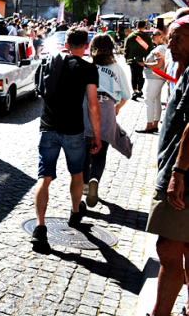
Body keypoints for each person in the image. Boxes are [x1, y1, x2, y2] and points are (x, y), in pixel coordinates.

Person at [113, 16, 189, 316]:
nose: (168, 44)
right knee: (186, 247)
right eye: (168, 38)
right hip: (182, 173)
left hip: (181, 178)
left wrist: (177, 173)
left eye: (176, 39)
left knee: (168, 249)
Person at [31, 27, 101, 253]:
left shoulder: (52, 62)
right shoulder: (89, 69)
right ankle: (74, 213)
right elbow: (92, 104)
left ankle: (40, 229)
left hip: (48, 127)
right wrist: (97, 135)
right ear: (86, 46)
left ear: (67, 44)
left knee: (44, 177)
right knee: (77, 173)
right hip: (73, 131)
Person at [82, 34, 132, 208]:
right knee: (100, 150)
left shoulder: (87, 65)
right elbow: (127, 94)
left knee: (85, 148)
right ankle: (95, 177)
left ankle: (85, 183)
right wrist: (117, 107)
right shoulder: (116, 68)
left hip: (87, 106)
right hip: (107, 107)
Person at [139, 30, 168, 134]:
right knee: (156, 100)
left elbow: (159, 64)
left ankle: (149, 124)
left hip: (154, 77)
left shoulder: (160, 48)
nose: (152, 36)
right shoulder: (164, 47)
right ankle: (154, 124)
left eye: (154, 35)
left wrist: (145, 64)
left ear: (161, 36)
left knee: (148, 99)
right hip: (158, 77)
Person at [124, 20, 154, 101]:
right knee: (141, 75)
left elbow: (126, 49)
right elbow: (151, 48)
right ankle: (140, 91)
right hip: (143, 59)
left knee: (133, 75)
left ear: (137, 26)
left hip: (132, 59)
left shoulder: (130, 36)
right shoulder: (147, 36)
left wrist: (126, 58)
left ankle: (134, 91)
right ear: (145, 27)